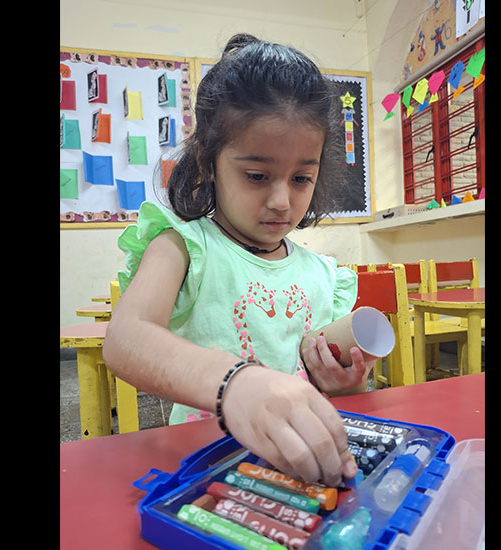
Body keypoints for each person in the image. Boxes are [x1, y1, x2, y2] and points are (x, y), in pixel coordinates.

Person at [103, 33, 375, 488]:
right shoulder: (184, 247)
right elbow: (124, 339)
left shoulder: (323, 275)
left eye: (301, 178)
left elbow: (336, 398)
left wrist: (347, 384)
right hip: (207, 474)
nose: (281, 201)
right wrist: (235, 383)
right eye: (256, 175)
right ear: (207, 162)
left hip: (296, 477)